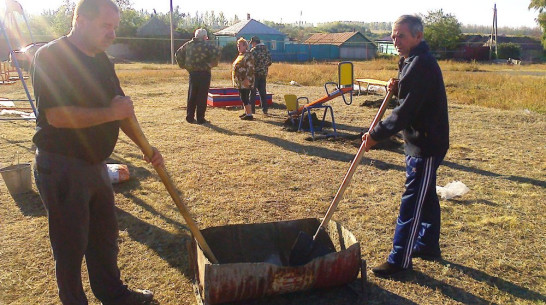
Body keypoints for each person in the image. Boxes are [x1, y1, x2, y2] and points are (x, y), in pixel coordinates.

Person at [31, 0, 164, 304]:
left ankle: (113, 294)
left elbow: (121, 109)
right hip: (61, 166)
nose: (113, 33)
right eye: (106, 26)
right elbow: (56, 116)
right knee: (70, 248)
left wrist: (147, 148)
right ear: (80, 20)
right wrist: (109, 112)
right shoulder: (51, 56)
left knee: (104, 240)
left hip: (96, 165)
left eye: (115, 26)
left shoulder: (101, 59)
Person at [361, 15, 449, 277]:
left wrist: (376, 135)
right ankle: (427, 244)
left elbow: (405, 111)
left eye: (401, 35)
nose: (395, 40)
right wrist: (397, 86)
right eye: (393, 34)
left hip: (426, 143)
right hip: (420, 140)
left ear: (417, 37)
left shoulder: (421, 63)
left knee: (412, 200)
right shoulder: (413, 61)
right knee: (427, 195)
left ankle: (400, 260)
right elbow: (411, 94)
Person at [175, 28, 220, 124]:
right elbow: (217, 54)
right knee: (202, 96)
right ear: (204, 37)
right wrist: (212, 64)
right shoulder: (208, 46)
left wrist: (183, 65)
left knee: (192, 95)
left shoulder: (188, 45)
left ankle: (189, 117)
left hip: (193, 73)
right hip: (205, 73)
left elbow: (178, 54)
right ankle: (200, 118)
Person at [232, 37, 255, 120]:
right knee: (242, 96)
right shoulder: (241, 55)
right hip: (240, 81)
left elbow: (250, 68)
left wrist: (247, 79)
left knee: (245, 97)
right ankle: (246, 112)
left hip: (245, 80)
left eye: (240, 45)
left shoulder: (248, 55)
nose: (238, 47)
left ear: (245, 46)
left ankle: (249, 115)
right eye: (238, 45)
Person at [249, 36, 272, 115]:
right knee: (263, 92)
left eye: (252, 43)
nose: (252, 45)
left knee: (252, 93)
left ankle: (252, 110)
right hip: (264, 73)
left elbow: (249, 63)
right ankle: (265, 109)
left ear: (255, 42)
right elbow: (270, 62)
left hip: (254, 74)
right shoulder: (266, 50)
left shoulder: (253, 51)